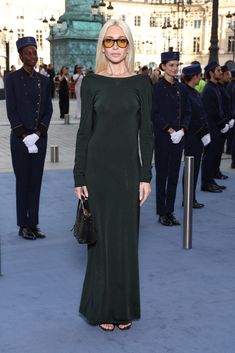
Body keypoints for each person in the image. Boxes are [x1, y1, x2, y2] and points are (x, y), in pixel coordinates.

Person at [73, 19, 153, 331]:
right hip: (97, 172)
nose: (116, 47)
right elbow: (83, 133)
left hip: (128, 173)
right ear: (102, 46)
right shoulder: (92, 82)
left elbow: (146, 134)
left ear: (129, 45)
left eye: (121, 41)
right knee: (101, 242)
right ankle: (102, 308)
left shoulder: (142, 84)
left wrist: (145, 175)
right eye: (109, 41)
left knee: (126, 241)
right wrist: (79, 177)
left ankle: (123, 309)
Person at [5, 36, 53, 240]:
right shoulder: (12, 79)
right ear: (21, 55)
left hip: (39, 139)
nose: (33, 56)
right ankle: (23, 225)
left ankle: (33, 223)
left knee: (36, 181)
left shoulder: (44, 80)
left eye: (34, 52)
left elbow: (48, 110)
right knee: (23, 181)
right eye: (28, 53)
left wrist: (39, 133)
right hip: (20, 139)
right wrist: (24, 135)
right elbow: (11, 110)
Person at [152, 51, 191, 226]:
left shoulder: (182, 88)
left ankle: (170, 211)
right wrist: (169, 130)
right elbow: (154, 113)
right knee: (162, 176)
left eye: (177, 65)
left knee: (174, 174)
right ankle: (162, 212)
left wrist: (182, 130)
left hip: (178, 138)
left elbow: (189, 112)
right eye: (171, 65)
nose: (175, 68)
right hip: (163, 138)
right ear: (163, 67)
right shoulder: (157, 88)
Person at [181, 64, 210, 208]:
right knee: (190, 169)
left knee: (195, 168)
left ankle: (190, 198)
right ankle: (187, 199)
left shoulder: (195, 92)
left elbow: (201, 114)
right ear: (194, 77)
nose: (200, 77)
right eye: (199, 75)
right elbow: (188, 118)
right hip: (192, 137)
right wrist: (200, 132)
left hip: (199, 137)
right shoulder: (186, 93)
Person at [201, 61, 228, 193]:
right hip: (211, 127)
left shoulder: (215, 87)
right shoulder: (208, 89)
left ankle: (211, 180)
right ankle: (206, 183)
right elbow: (212, 111)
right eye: (218, 70)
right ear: (211, 73)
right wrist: (223, 123)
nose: (221, 72)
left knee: (214, 155)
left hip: (216, 127)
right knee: (209, 156)